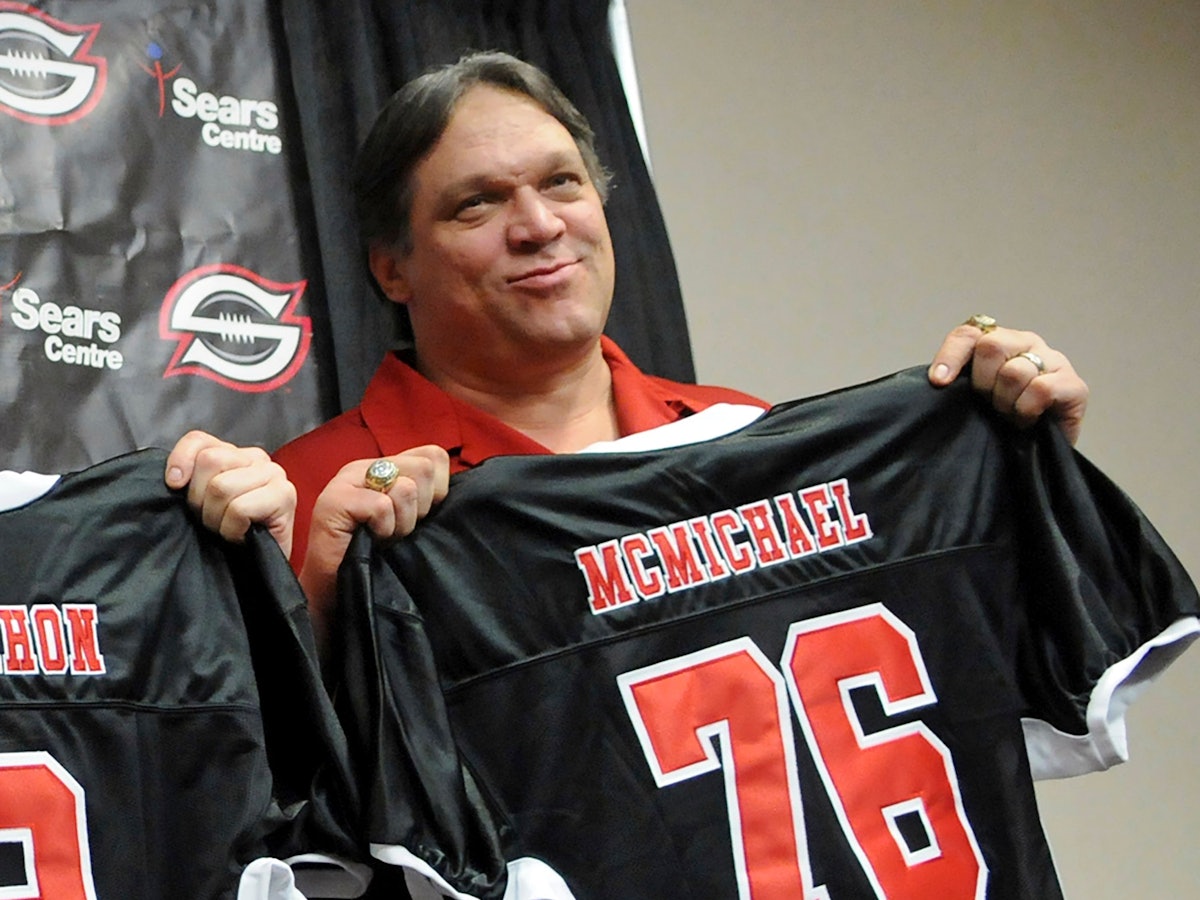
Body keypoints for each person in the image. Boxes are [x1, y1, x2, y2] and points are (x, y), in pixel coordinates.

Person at [174, 51, 1089, 655]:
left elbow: (950, 657)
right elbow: (259, 814)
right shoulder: (303, 501)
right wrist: (330, 601)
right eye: (476, 205)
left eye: (561, 182)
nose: (539, 227)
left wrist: (1021, 461)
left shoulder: (744, 436)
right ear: (391, 269)